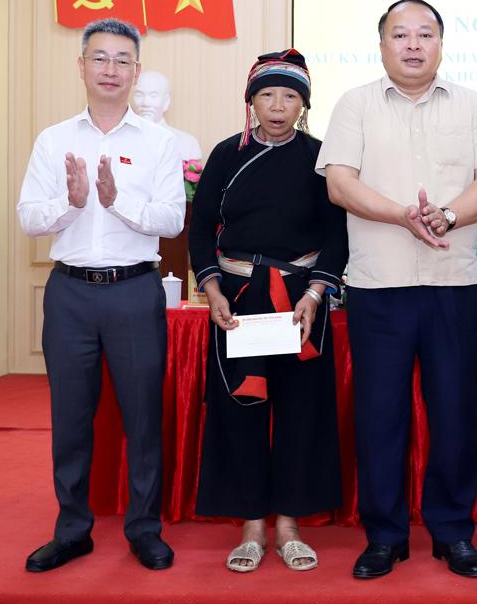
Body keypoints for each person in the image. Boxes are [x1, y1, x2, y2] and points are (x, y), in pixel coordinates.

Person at [316, 0, 477, 579]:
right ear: (382, 46)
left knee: (455, 413)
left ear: (441, 44)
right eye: (401, 35)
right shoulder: (355, 104)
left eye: (425, 34)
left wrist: (446, 216)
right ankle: (385, 536)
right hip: (380, 287)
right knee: (380, 416)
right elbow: (340, 184)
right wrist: (402, 215)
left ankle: (452, 532)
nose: (414, 45)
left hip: (452, 285)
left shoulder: (471, 104)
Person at [17, 17, 185, 572]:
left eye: (122, 60)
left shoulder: (160, 142)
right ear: (82, 66)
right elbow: (29, 218)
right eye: (100, 58)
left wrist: (116, 202)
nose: (110, 69)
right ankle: (72, 530)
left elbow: (171, 217)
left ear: (136, 70)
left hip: (134, 292)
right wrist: (71, 203)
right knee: (70, 418)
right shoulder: (54, 139)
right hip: (69, 293)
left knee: (142, 418)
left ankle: (144, 529)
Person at [187, 49, 348, 573]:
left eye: (290, 96)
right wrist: (211, 290)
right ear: (251, 102)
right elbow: (200, 228)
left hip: (301, 300)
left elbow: (337, 234)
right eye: (267, 95)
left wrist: (316, 293)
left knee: (302, 413)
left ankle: (290, 527)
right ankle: (253, 524)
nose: (278, 106)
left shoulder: (321, 157)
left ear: (304, 105)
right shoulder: (225, 154)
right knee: (241, 410)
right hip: (238, 300)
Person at [132, 70, 204, 163]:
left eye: (153, 96)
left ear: (166, 101)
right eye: (139, 95)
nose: (146, 103)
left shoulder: (188, 143)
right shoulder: (120, 139)